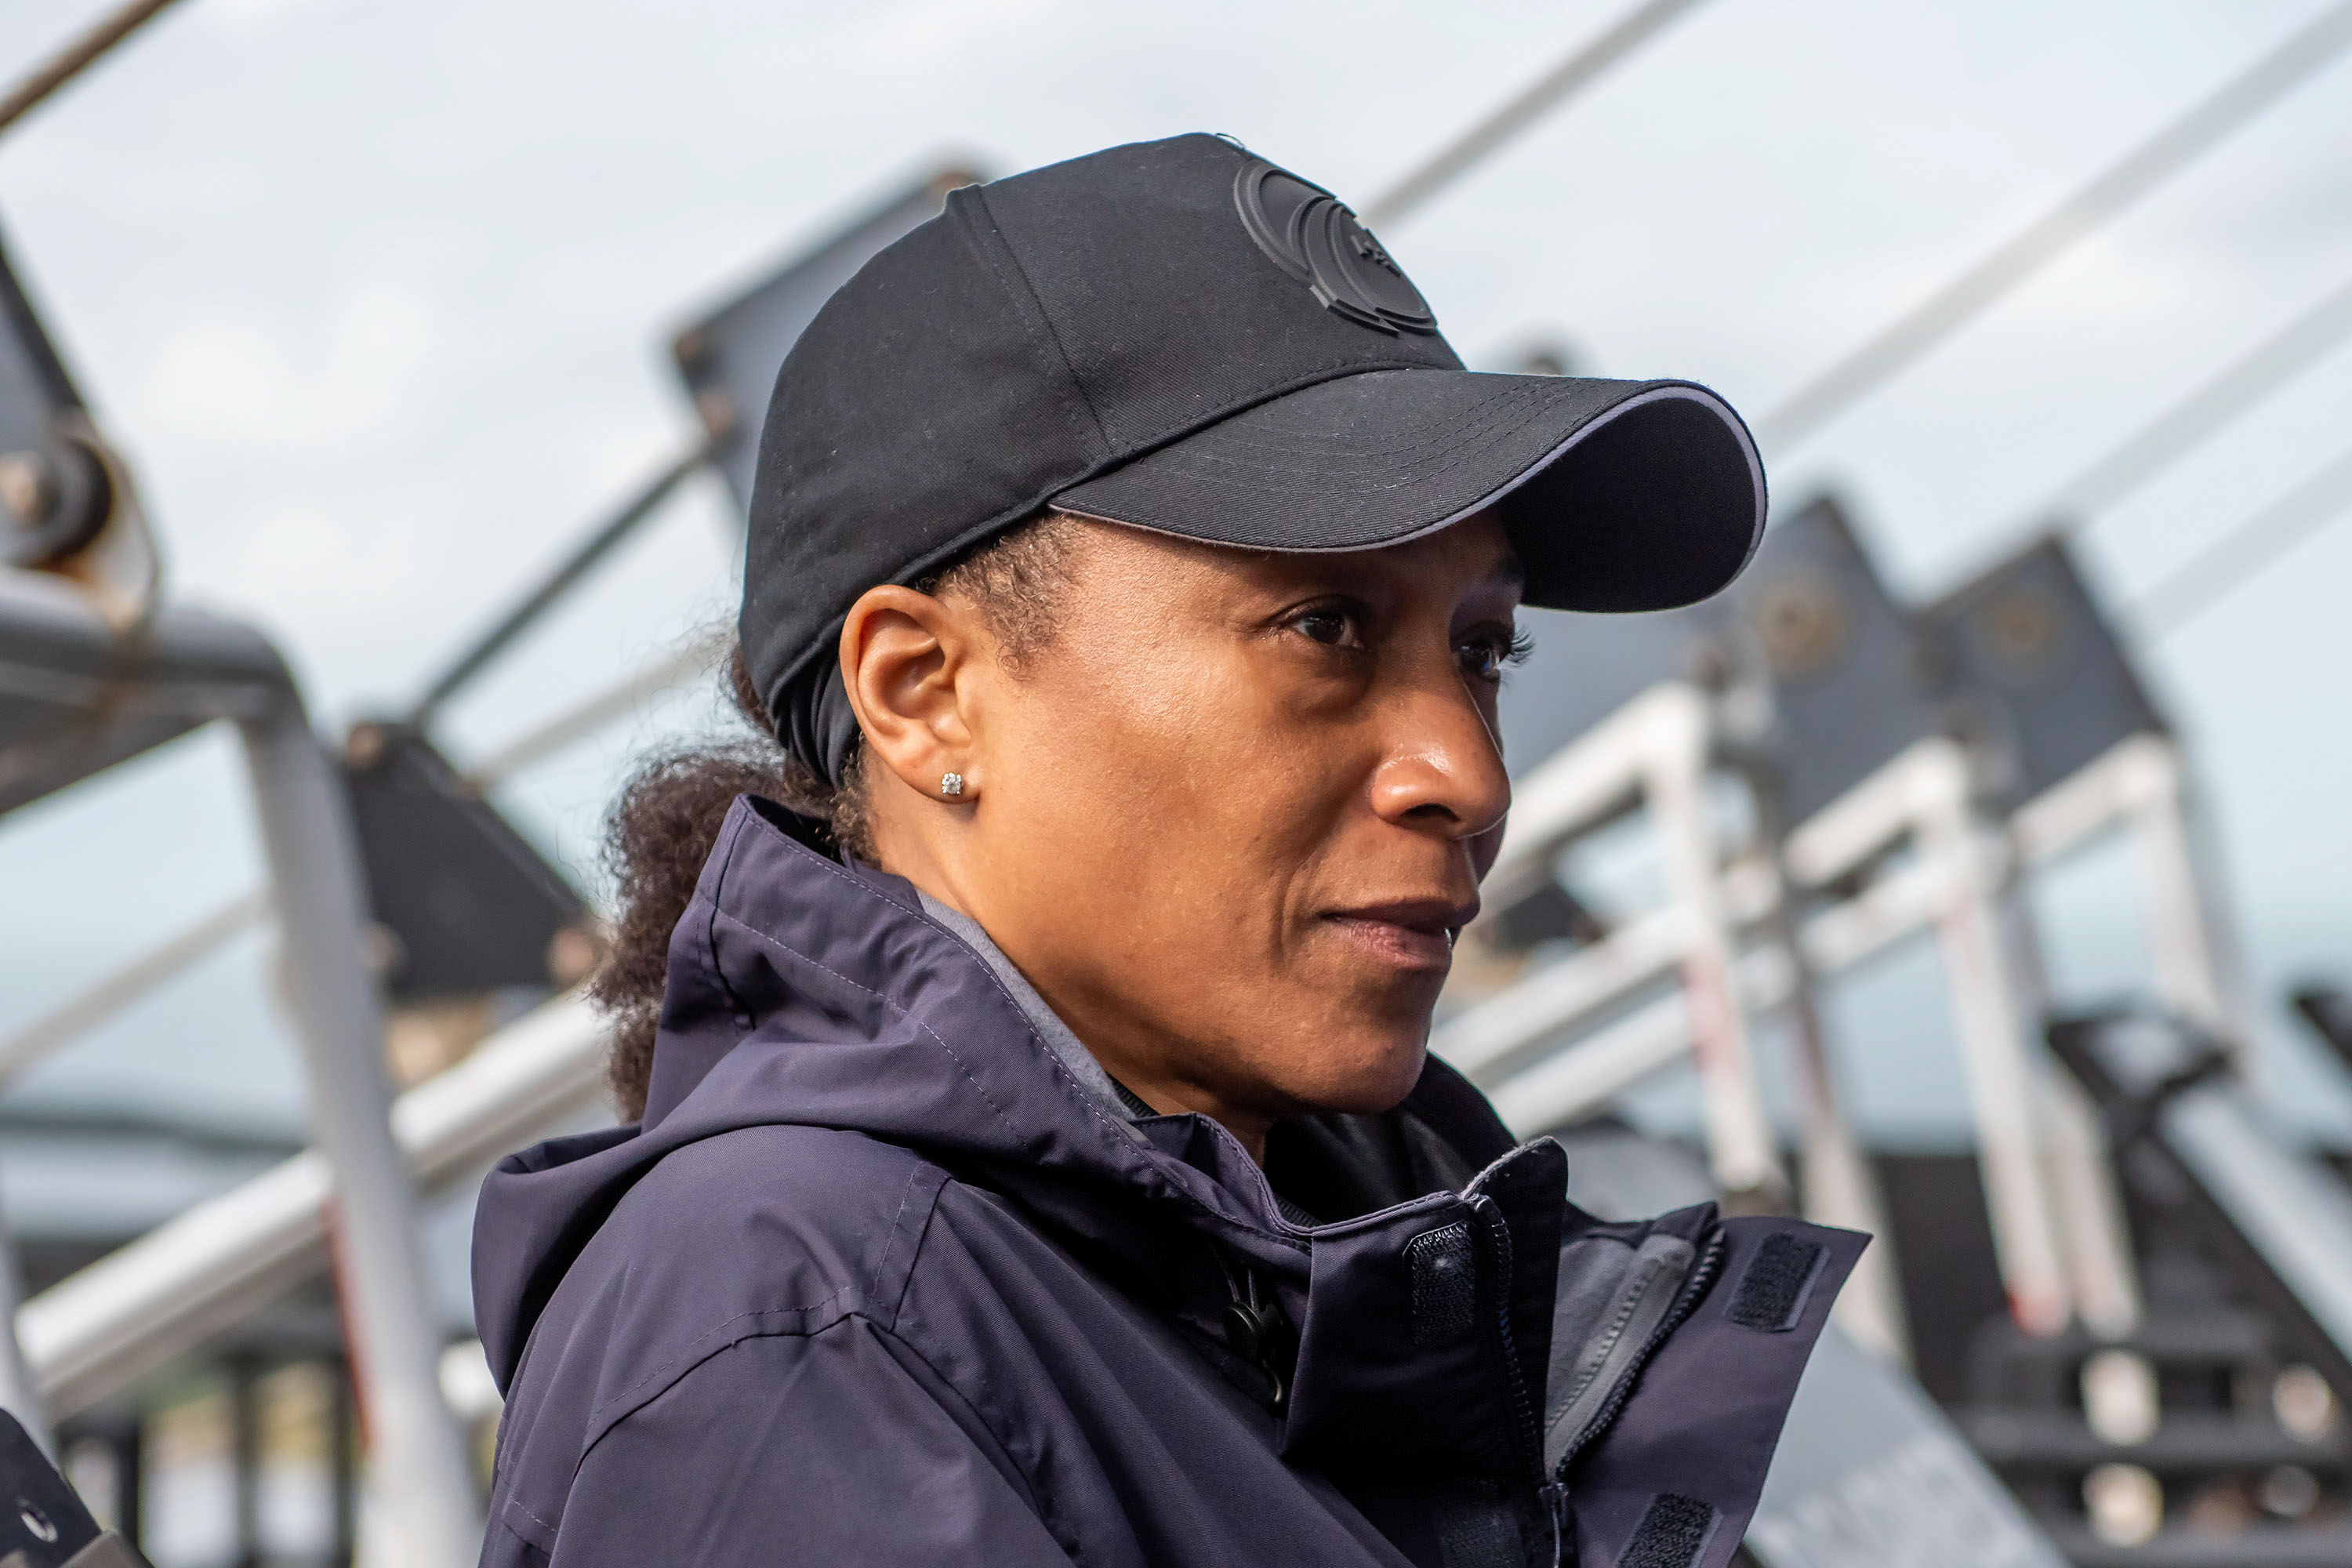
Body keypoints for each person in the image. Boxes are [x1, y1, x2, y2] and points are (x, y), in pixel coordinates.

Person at [473, 135, 1857, 1568]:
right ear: (925, 693)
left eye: (1482, 649)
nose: (1467, 772)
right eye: (1325, 628)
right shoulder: (800, 1328)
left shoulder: (1330, 1252)